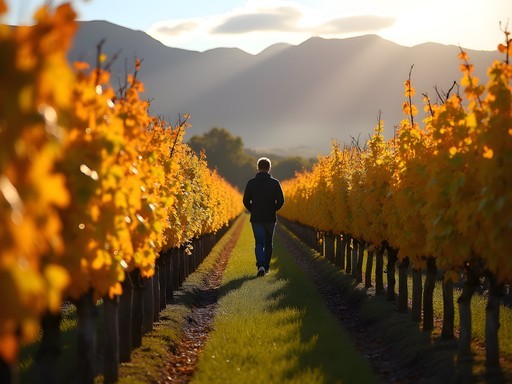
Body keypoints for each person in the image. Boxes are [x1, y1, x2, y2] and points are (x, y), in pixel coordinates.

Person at [243, 157, 285, 277]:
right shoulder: (275, 183)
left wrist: (253, 210)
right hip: (270, 218)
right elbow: (281, 201)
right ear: (269, 168)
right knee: (268, 243)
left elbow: (246, 200)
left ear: (258, 167)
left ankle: (260, 265)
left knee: (259, 243)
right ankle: (266, 267)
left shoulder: (251, 183)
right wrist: (273, 209)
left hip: (256, 218)